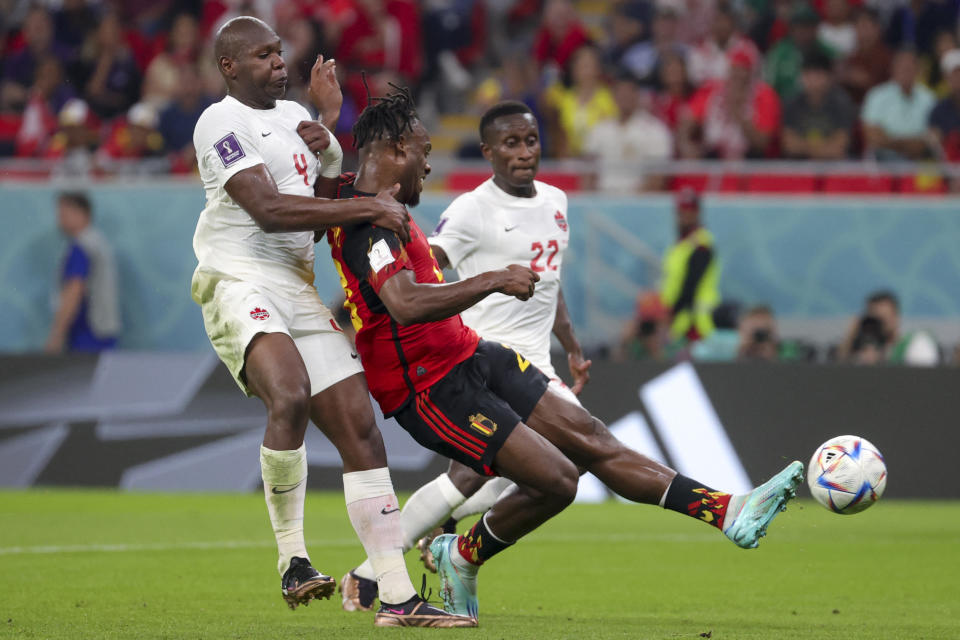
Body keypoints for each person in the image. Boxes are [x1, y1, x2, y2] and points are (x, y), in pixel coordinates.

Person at [325, 84, 803, 621]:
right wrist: (494, 280)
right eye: (424, 153)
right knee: (555, 480)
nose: (429, 167)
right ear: (392, 151)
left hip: (476, 352)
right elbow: (406, 303)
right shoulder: (371, 224)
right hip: (429, 385)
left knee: (591, 438)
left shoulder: (387, 203)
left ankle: (728, 511)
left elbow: (328, 175)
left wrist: (325, 115)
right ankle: (441, 559)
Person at [189, 16, 472, 628]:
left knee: (359, 429)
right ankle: (294, 560)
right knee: (287, 392)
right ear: (229, 67)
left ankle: (396, 598)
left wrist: (336, 144)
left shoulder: (297, 121)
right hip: (238, 276)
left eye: (279, 52)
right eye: (262, 55)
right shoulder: (220, 122)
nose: (278, 63)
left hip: (295, 283)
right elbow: (265, 209)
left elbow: (314, 222)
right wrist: (371, 203)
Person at [336, 99, 592, 611]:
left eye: (531, 141)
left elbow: (550, 280)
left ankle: (401, 560)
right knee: (557, 461)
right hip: (468, 353)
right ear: (489, 152)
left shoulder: (557, 202)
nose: (524, 153)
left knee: (541, 466)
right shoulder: (470, 209)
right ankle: (413, 560)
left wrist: (573, 345)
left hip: (512, 354)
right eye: (512, 143)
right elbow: (426, 268)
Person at [45, 192, 121, 353]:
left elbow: (74, 290)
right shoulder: (99, 242)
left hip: (88, 332)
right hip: (103, 328)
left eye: (64, 215)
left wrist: (57, 334)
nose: (60, 221)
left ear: (81, 214)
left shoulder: (82, 248)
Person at [584, 75, 673, 192]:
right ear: (613, 96)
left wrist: (630, 204)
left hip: (640, 202)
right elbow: (587, 172)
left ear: (637, 95)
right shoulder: (600, 129)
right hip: (602, 199)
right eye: (620, 93)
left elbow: (657, 177)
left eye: (629, 92)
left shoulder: (655, 130)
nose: (624, 97)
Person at [660, 188, 720, 343]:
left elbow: (690, 286)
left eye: (689, 211)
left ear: (697, 213)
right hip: (681, 321)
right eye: (681, 211)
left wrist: (671, 314)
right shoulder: (680, 244)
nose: (684, 216)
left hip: (696, 323)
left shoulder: (701, 243)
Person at [862, 48, 936, 161]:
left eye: (910, 68)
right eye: (902, 68)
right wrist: (907, 144)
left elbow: (932, 137)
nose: (906, 72)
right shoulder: (877, 95)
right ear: (892, 69)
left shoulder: (929, 98)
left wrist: (894, 142)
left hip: (919, 157)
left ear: (918, 70)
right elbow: (873, 136)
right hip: (884, 157)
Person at [782, 50, 856, 160]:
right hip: (798, 167)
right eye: (807, 75)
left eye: (817, 75)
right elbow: (789, 145)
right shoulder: (792, 102)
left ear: (830, 77)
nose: (812, 81)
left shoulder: (842, 103)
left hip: (834, 168)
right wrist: (823, 148)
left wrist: (804, 146)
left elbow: (838, 148)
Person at [838, 291, 940, 366]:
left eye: (883, 318)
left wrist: (882, 360)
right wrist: (851, 335)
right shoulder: (865, 349)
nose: (878, 325)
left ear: (896, 317)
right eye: (874, 320)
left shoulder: (916, 343)